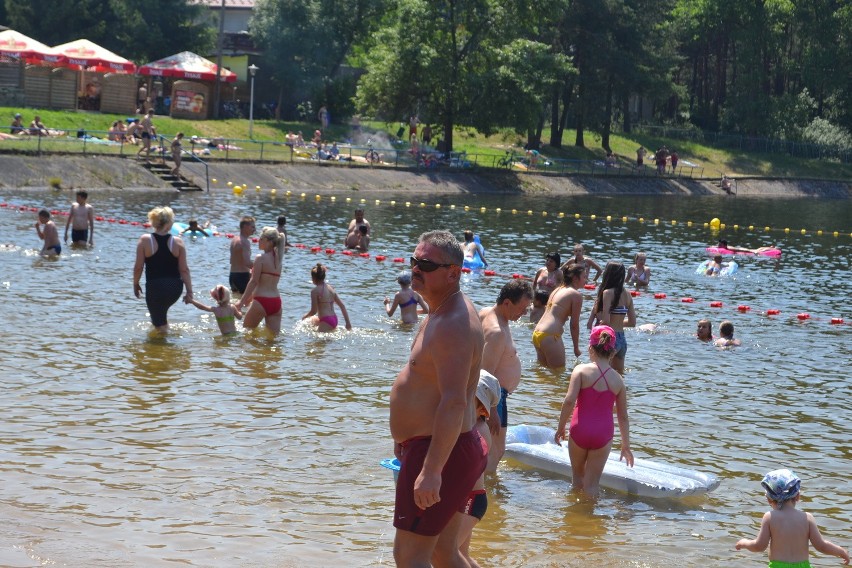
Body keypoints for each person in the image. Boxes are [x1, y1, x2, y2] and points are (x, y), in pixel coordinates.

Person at [389, 230, 487, 567]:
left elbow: (454, 402)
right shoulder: (441, 311)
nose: (416, 268)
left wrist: (431, 470)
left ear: (453, 273)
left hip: (440, 450)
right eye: (414, 261)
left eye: (426, 264)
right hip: (440, 445)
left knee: (409, 555)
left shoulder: (453, 324)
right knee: (445, 553)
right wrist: (406, 439)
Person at [554, 325, 633, 496]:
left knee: (577, 480)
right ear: (612, 353)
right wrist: (625, 445)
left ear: (590, 348)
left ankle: (574, 520)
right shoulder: (618, 380)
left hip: (579, 429)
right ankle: (591, 519)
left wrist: (561, 427)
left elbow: (569, 401)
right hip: (603, 434)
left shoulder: (581, 371)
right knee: (592, 485)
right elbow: (623, 416)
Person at [736, 469, 849, 566]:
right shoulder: (807, 518)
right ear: (798, 496)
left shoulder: (769, 517)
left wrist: (744, 542)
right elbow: (821, 546)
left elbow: (759, 546)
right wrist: (840, 551)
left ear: (769, 499)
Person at [479, 280, 533, 473]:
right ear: (507, 303)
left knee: (489, 447)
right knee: (495, 449)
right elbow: (485, 374)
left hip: (494, 395)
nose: (524, 313)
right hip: (493, 396)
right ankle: (487, 491)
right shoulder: (497, 332)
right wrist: (492, 410)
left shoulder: (486, 312)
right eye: (522, 308)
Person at [458, 370, 501, 568]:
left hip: (471, 499)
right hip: (466, 499)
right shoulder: (467, 425)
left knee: (444, 552)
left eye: (469, 400)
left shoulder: (479, 431)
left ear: (482, 408)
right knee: (461, 554)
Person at [132, 206, 193, 333]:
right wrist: (189, 292)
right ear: (169, 223)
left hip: (155, 287)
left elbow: (138, 267)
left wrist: (135, 283)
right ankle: (166, 347)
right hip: (174, 287)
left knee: (158, 324)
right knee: (161, 317)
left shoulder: (144, 240)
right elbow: (184, 270)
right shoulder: (178, 242)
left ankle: (165, 347)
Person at [532, 262, 587, 369]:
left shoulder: (557, 289)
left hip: (537, 333)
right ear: (575, 278)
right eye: (584, 277)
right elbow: (574, 325)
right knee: (558, 373)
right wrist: (576, 347)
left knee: (543, 374)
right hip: (550, 336)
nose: (586, 280)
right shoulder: (576, 295)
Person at [587, 262, 637, 376]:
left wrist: (598, 322)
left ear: (608, 275)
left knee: (600, 375)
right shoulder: (628, 294)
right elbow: (632, 323)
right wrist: (618, 322)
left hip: (609, 338)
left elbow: (606, 322)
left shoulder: (607, 293)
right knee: (619, 376)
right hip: (622, 339)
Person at [236, 226, 285, 335]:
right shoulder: (279, 260)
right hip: (276, 302)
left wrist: (241, 302)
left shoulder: (260, 258)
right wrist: (250, 298)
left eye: (261, 239)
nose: (258, 241)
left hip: (262, 301)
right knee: (272, 340)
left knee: (246, 334)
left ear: (269, 242)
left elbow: (254, 281)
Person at [302, 263, 352, 332]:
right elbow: (342, 306)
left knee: (318, 341)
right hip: (334, 319)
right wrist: (348, 323)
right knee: (311, 322)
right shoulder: (331, 288)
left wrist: (305, 316)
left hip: (326, 321)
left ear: (314, 278)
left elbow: (314, 311)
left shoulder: (315, 291)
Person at [229, 216, 256, 294]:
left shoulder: (234, 240)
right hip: (242, 276)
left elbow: (231, 261)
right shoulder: (245, 242)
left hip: (232, 276)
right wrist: (261, 268)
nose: (254, 230)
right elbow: (247, 263)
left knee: (235, 300)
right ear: (245, 227)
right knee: (246, 302)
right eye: (252, 227)